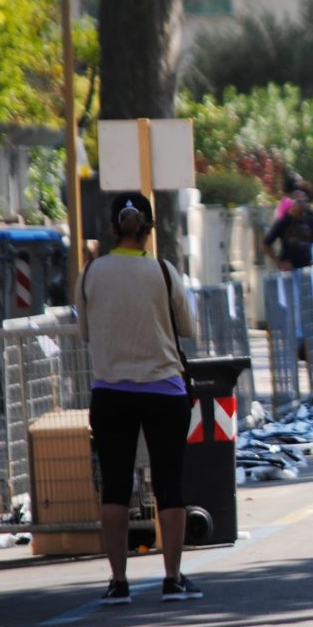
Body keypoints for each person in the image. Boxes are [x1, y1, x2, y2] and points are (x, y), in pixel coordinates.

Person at [75, 192, 201, 605]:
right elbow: (187, 326)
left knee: (114, 486)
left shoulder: (91, 273)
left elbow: (86, 331)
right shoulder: (164, 272)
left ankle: (117, 581)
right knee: (169, 483)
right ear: (148, 229)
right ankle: (173, 577)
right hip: (164, 389)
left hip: (111, 392)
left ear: (113, 229)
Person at [262, 189, 313, 271]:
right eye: (299, 201)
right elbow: (266, 245)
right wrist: (279, 263)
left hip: (308, 269)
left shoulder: (311, 220)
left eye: (305, 201)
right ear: (292, 203)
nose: (303, 204)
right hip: (290, 271)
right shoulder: (284, 221)